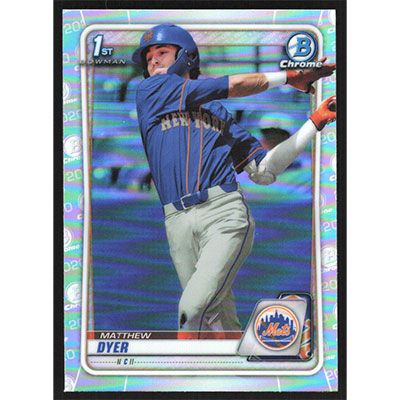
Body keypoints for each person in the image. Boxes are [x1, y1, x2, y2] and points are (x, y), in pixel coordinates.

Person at [132, 24, 336, 335]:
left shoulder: (217, 112)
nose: (153, 61)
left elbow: (264, 171)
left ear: (186, 56)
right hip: (176, 220)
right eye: (148, 58)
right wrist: (289, 77)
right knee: (216, 323)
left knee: (192, 309)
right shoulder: (150, 91)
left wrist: (313, 123)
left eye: (162, 52)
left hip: (223, 213)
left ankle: (180, 366)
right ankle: (235, 364)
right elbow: (236, 84)